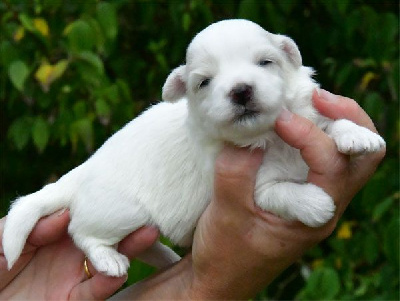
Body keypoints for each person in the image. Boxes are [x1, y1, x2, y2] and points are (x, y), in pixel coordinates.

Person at [0, 90, 385, 300]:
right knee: (126, 216)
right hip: (113, 193)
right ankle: (93, 239)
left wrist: (197, 283)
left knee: (143, 228)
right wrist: (204, 285)